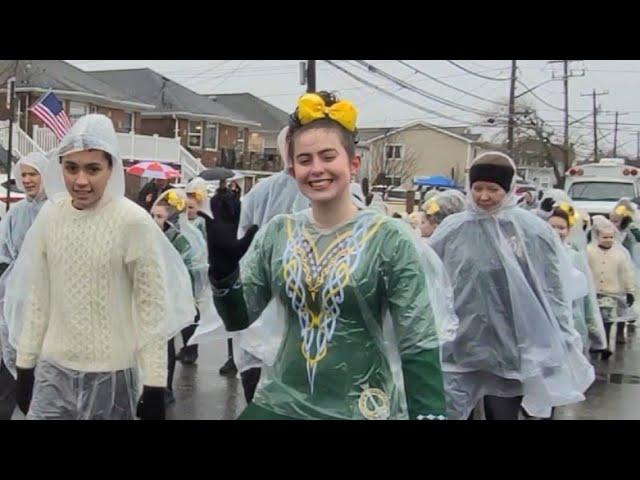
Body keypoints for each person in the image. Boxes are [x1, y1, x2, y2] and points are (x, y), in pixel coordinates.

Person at [202, 91, 446, 420]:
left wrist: (429, 414)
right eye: (304, 160)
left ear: (353, 163)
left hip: (362, 407)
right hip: (282, 403)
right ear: (292, 170)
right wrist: (223, 271)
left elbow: (417, 339)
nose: (316, 169)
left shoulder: (388, 238)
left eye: (328, 156)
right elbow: (238, 319)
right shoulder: (279, 232)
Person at [6, 114, 195, 420]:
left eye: (93, 168)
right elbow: (38, 297)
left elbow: (151, 308)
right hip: (53, 372)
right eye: (71, 168)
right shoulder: (50, 217)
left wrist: (155, 383)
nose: (81, 180)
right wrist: (26, 363)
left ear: (111, 169)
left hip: (113, 376)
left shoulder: (131, 222)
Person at [430, 152, 594, 420]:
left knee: (503, 412)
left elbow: (552, 289)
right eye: (478, 188)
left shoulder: (531, 231)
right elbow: (429, 276)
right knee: (453, 412)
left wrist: (563, 337)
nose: (484, 196)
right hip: (460, 346)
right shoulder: (452, 228)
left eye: (493, 189)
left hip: (509, 348)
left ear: (508, 190)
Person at [150, 188, 212, 401]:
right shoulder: (149, 236)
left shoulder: (179, 240)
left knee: (167, 341)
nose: (154, 220)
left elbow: (192, 268)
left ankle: (166, 387)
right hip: (153, 298)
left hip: (172, 298)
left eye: (159, 216)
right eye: (152, 215)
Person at [0, 152, 48, 420]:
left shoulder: (56, 210)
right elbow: (3, 254)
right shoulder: (16, 213)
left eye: (33, 174)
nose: (27, 180)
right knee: (11, 360)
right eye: (24, 175)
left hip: (46, 299)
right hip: (15, 298)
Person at [547, 204, 606, 355]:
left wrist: (595, 332)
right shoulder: (533, 255)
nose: (556, 232)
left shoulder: (575, 257)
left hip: (573, 321)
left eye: (561, 227)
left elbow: (588, 299)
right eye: (552, 227)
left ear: (568, 230)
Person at [587, 216, 636, 359]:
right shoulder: (589, 251)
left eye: (610, 237)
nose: (608, 240)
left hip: (611, 292)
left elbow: (625, 274)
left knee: (607, 319)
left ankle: (605, 344)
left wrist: (629, 291)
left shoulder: (619, 255)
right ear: (597, 237)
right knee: (595, 320)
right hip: (593, 291)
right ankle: (595, 343)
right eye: (604, 237)